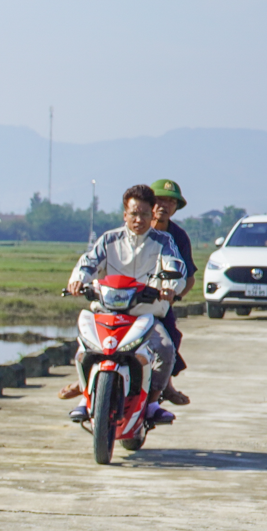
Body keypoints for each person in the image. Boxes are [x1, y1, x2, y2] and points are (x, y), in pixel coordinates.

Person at [66, 184, 187, 425]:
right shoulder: (108, 240)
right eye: (133, 213)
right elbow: (88, 263)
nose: (138, 219)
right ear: (125, 214)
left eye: (144, 214)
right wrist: (78, 280)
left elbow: (175, 266)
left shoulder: (163, 241)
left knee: (164, 347)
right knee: (84, 349)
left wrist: (170, 286)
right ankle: (85, 398)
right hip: (107, 312)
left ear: (152, 213)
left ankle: (152, 402)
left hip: (145, 315)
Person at [149, 178, 194, 404]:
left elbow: (189, 277)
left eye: (170, 202)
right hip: (127, 299)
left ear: (176, 208)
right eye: (159, 200)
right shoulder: (136, 229)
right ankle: (86, 382)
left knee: (170, 337)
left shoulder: (178, 237)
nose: (163, 206)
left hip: (159, 303)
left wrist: (173, 296)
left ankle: (166, 386)